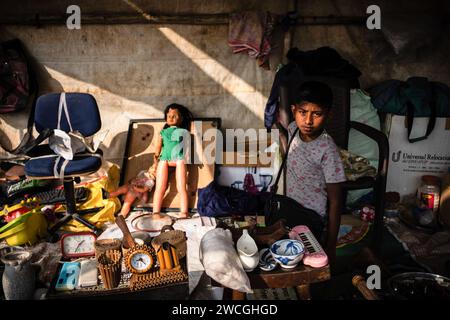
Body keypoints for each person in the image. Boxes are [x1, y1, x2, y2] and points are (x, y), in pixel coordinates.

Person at [284, 81, 346, 265]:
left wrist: (331, 245)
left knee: (307, 262)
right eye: (303, 112)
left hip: (311, 217)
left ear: (328, 115)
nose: (308, 121)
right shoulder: (292, 129)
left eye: (317, 114)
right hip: (288, 207)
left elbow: (336, 201)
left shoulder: (327, 149)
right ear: (294, 110)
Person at [152, 103, 193, 219]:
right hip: (164, 158)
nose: (171, 118)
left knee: (181, 187)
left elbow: (187, 147)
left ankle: (184, 211)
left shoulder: (184, 132)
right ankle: (155, 212)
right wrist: (155, 158)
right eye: (169, 115)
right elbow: (158, 146)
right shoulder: (163, 132)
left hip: (179, 159)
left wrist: (187, 158)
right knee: (160, 187)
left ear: (181, 118)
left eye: (174, 116)